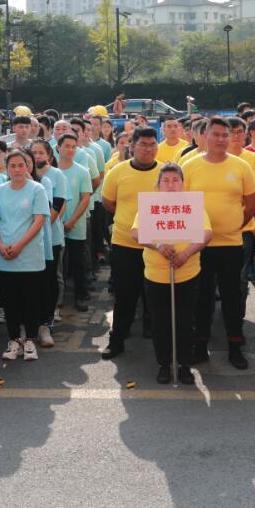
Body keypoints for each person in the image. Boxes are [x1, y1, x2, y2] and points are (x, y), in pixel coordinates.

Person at [183, 117, 255, 370]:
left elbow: (251, 204)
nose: (220, 139)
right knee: (201, 298)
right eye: (215, 134)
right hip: (199, 246)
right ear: (204, 136)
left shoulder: (241, 166)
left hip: (231, 244)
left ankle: (235, 346)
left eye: (225, 135)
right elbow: (182, 205)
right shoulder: (189, 165)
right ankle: (199, 346)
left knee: (232, 297)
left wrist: (236, 224)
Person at [132, 163, 211, 385]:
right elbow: (135, 232)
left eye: (175, 180)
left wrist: (186, 253)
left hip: (187, 273)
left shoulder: (193, 205)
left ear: (183, 183)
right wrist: (157, 245)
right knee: (160, 322)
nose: (171, 185)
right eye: (165, 181)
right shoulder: (150, 206)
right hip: (156, 276)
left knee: (186, 320)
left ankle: (185, 364)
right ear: (158, 185)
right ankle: (164, 364)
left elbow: (207, 233)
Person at [101, 128, 161, 357]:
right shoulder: (118, 171)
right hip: (125, 243)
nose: (148, 149)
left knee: (154, 295)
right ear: (132, 146)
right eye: (143, 144)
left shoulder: (166, 172)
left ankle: (152, 332)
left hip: (157, 245)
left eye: (152, 144)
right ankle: (117, 340)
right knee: (125, 296)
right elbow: (109, 203)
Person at [0, 149, 50, 362]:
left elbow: (39, 220)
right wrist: (0, 245)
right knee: (9, 300)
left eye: (20, 165)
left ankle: (30, 340)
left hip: (29, 255)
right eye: (12, 165)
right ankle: (14, 339)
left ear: (27, 166)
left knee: (31, 300)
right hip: (4, 256)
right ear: (6, 168)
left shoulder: (37, 189)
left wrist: (19, 245)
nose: (16, 169)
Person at [31, 138, 69, 344]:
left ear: (49, 156)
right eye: (33, 152)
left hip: (51, 236)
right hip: (29, 239)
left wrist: (41, 228)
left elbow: (58, 204)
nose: (37, 156)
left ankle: (49, 316)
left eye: (40, 152)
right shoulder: (25, 176)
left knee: (50, 277)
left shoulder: (56, 175)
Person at [56, 133, 93, 311]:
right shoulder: (53, 171)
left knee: (78, 262)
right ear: (58, 148)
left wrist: (72, 220)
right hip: (55, 226)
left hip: (76, 225)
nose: (70, 149)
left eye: (73, 146)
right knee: (58, 265)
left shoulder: (82, 171)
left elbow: (85, 198)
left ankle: (80, 296)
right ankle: (58, 298)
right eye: (66, 146)